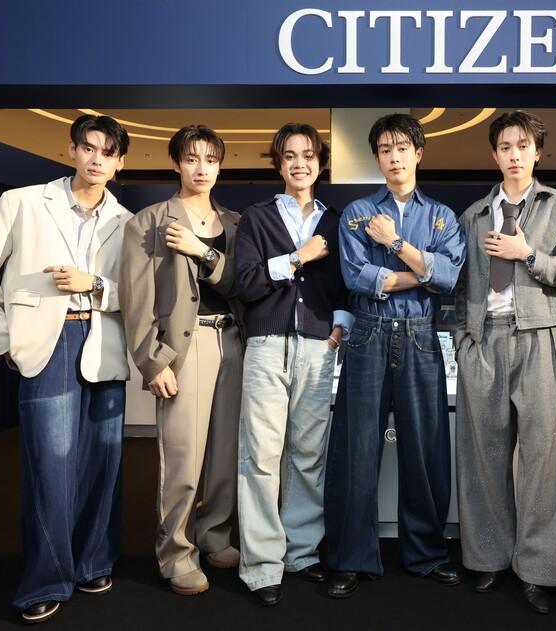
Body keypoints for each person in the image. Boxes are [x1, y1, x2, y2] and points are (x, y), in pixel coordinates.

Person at [0, 114, 131, 624]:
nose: (97, 159)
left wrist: (94, 285)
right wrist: (3, 339)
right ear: (72, 149)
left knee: (102, 461)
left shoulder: (126, 220)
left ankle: (93, 561)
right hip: (46, 343)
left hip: (104, 340)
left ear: (120, 162)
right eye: (89, 147)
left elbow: (136, 294)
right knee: (50, 465)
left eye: (108, 152)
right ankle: (46, 578)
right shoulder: (22, 201)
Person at [453, 111, 556, 614]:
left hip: (539, 335)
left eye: (523, 146)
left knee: (546, 459)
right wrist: (463, 338)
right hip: (483, 339)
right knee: (482, 456)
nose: (515, 155)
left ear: (538, 151)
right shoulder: (473, 215)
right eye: (506, 147)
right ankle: (489, 556)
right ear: (495, 154)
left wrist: (527, 254)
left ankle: (539, 570)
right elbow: (459, 284)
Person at [324, 113, 466, 599]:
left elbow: (450, 279)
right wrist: (423, 271)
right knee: (356, 449)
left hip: (422, 336)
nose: (394, 156)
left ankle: (426, 554)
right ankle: (350, 557)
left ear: (418, 153)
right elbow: (359, 278)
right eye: (385, 149)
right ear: (376, 157)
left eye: (402, 147)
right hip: (368, 333)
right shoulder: (357, 212)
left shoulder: (442, 216)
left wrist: (394, 244)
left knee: (426, 448)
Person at [120, 125, 244, 597]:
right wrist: (153, 362)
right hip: (184, 349)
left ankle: (215, 535)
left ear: (220, 165)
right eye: (192, 158)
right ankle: (176, 553)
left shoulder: (235, 222)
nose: (201, 168)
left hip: (233, 340)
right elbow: (136, 300)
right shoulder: (149, 221)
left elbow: (241, 285)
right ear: (176, 163)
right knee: (182, 456)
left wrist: (203, 252)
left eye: (210, 159)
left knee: (225, 453)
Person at [233, 123, 351, 606]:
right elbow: (245, 283)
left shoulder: (336, 220)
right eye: (289, 155)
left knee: (308, 454)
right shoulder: (257, 217)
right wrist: (297, 257)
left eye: (308, 155)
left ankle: (300, 552)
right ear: (278, 163)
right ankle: (262, 565)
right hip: (267, 343)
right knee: (260, 456)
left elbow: (344, 286)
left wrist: (338, 330)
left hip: (318, 347)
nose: (299, 163)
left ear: (320, 163)